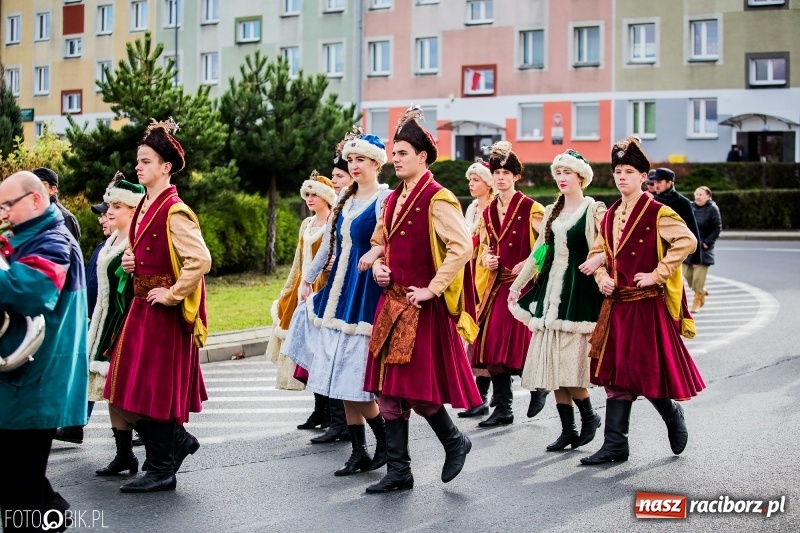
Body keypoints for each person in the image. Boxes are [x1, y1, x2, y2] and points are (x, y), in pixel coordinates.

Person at [364, 106, 482, 493]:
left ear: (422, 157)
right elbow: (381, 239)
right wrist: (379, 263)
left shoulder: (439, 198)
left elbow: (462, 246)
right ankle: (400, 472)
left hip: (421, 308)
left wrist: (434, 287)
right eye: (393, 153)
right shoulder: (393, 198)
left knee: (416, 390)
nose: (394, 159)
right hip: (392, 303)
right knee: (387, 389)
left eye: (401, 153)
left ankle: (454, 441)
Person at [581, 136, 706, 466]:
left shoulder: (657, 211)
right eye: (618, 171)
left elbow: (687, 242)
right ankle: (615, 445)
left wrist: (658, 273)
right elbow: (598, 253)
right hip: (617, 304)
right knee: (615, 374)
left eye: (629, 171)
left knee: (644, 373)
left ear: (642, 177)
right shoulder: (607, 216)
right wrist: (601, 277)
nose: (622, 176)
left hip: (646, 304)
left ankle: (673, 414)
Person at [104, 118, 211, 493]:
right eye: (138, 160)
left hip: (162, 312)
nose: (139, 166)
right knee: (127, 386)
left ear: (165, 166)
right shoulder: (146, 206)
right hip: (140, 306)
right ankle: (175, 443)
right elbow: (145, 250)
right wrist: (132, 261)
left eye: (146, 161)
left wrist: (172, 294)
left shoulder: (175, 209)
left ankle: (162, 468)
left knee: (155, 388)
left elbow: (200, 260)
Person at [282, 127, 390, 477]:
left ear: (376, 163)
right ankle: (360, 451)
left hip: (364, 296)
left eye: (361, 160)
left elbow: (392, 242)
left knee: (353, 378)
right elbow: (329, 246)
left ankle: (385, 441)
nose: (354, 166)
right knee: (335, 376)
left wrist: (377, 253)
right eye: (351, 160)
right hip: (335, 297)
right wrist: (308, 280)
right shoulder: (343, 200)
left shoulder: (386, 200)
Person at [0, 171, 88, 531]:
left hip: (36, 380)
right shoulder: (25, 236)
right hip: (24, 378)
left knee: (20, 486)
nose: (4, 214)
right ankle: (54, 515)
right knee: (19, 482)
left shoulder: (54, 240)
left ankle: (52, 517)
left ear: (36, 200)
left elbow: (33, 290)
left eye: (8, 205)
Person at [508, 150, 606, 451]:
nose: (562, 178)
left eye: (568, 173)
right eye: (558, 173)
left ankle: (589, 417)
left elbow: (611, 244)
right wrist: (518, 285)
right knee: (552, 365)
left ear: (581, 177)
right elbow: (539, 253)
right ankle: (568, 428)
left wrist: (599, 258)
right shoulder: (551, 211)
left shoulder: (594, 210)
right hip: (550, 294)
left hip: (579, 295)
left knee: (569, 365)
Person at [472, 141, 545, 428]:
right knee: (490, 347)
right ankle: (503, 408)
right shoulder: (488, 211)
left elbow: (546, 245)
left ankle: (540, 387)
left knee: (519, 345)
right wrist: (486, 259)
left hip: (522, 287)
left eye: (506, 172)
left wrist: (529, 262)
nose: (500, 177)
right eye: (497, 172)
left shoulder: (531, 207)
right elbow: (484, 248)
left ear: (516, 176)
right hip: (495, 285)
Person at [266, 172, 336, 430]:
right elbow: (298, 262)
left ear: (327, 198)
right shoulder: (306, 224)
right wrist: (290, 289)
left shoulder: (333, 223)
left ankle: (330, 412)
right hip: (304, 290)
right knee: (307, 352)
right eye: (307, 194)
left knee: (322, 352)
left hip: (324, 290)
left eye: (314, 194)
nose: (309, 198)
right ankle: (319, 409)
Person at [89, 177, 146, 477]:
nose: (109, 212)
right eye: (109, 205)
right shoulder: (111, 240)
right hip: (104, 321)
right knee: (108, 392)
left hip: (124, 325)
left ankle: (161, 443)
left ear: (133, 208)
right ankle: (124, 455)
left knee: (119, 390)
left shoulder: (136, 243)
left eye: (117, 206)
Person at [54, 199, 113, 445]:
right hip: (94, 318)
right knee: (87, 371)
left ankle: (145, 427)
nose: (101, 219)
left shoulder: (123, 247)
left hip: (109, 321)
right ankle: (74, 424)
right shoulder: (105, 245)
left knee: (111, 376)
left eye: (107, 214)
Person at [459, 159, 495, 418]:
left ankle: (482, 397)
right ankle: (479, 397)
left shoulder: (493, 208)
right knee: (475, 337)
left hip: (487, 273)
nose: (471, 185)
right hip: (470, 273)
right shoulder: (472, 208)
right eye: (470, 180)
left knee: (484, 337)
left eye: (476, 180)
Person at [649, 168, 702, 267]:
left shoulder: (683, 202)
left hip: (674, 252)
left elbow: (692, 229)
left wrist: (696, 258)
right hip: (653, 252)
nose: (656, 185)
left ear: (669, 183)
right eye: (655, 182)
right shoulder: (652, 201)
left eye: (659, 182)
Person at [683, 186, 722, 313]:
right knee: (686, 274)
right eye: (696, 194)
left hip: (704, 249)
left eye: (701, 194)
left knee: (698, 279)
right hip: (690, 247)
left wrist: (707, 243)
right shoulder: (691, 207)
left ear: (708, 197)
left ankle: (697, 301)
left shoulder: (712, 209)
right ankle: (701, 291)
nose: (698, 197)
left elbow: (717, 228)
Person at [32, 167, 81, 243]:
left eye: (40, 185)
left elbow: (70, 252)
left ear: (52, 189)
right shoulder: (29, 214)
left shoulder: (65, 218)